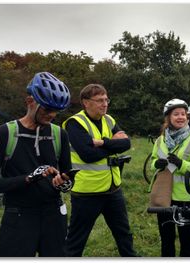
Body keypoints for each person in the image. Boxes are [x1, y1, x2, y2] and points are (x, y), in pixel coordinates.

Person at [0, 72, 74, 257]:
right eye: (46, 109)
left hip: (53, 216)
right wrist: (28, 178)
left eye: (55, 111)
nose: (51, 115)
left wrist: (64, 182)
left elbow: (68, 175)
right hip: (18, 215)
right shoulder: (3, 134)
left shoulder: (59, 134)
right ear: (30, 101)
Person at [62, 84, 137, 257]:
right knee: (76, 241)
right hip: (88, 192)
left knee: (124, 235)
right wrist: (113, 143)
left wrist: (102, 142)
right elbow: (88, 154)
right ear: (86, 103)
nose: (104, 104)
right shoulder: (75, 123)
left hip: (113, 189)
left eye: (106, 100)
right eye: (99, 100)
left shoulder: (109, 120)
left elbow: (127, 143)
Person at [151, 98, 190, 257]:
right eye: (176, 114)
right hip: (163, 196)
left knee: (186, 239)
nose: (180, 117)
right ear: (168, 117)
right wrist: (157, 164)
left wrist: (182, 164)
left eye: (183, 114)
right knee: (166, 238)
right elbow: (152, 162)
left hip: (185, 197)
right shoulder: (160, 140)